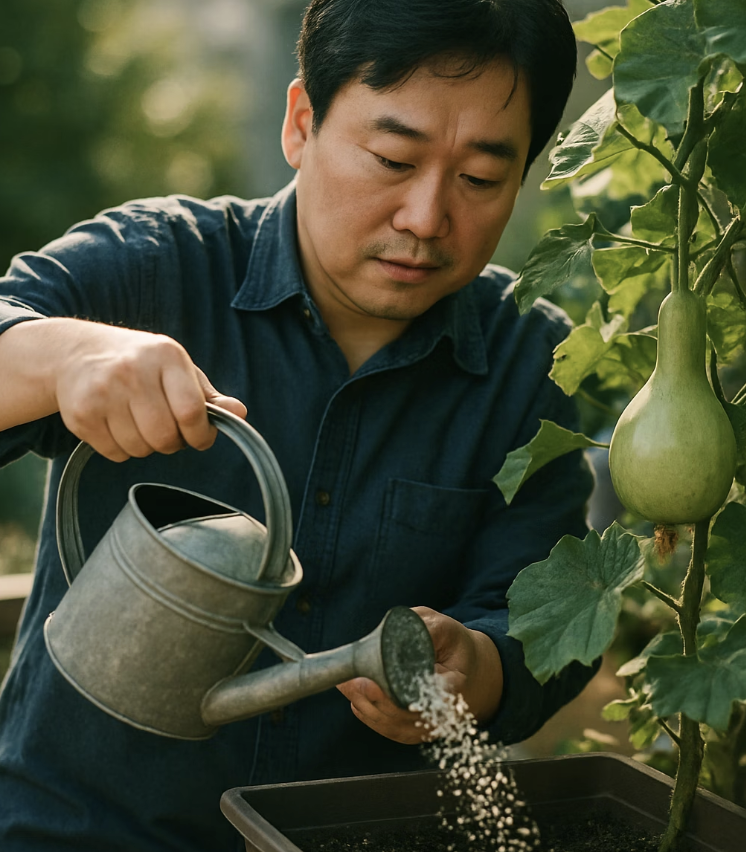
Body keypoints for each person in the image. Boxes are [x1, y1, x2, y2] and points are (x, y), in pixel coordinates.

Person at [0, 0, 597, 849]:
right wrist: (63, 357)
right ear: (302, 123)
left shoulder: (527, 363)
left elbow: (545, 613)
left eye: (479, 179)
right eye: (393, 159)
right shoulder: (153, 267)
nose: (426, 218)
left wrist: (482, 667)